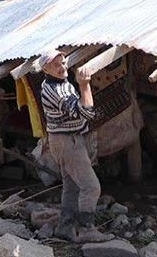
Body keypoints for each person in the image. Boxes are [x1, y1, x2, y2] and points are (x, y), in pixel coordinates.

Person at [39, 50, 114, 243]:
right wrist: (84, 85)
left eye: (64, 63)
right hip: (67, 142)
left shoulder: (52, 82)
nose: (63, 67)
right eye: (57, 65)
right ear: (46, 69)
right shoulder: (57, 90)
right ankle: (87, 229)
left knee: (71, 186)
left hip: (63, 140)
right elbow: (87, 112)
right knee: (91, 186)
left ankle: (65, 227)